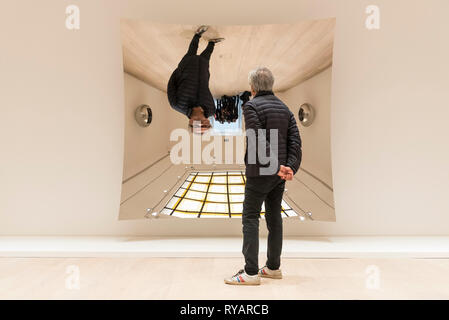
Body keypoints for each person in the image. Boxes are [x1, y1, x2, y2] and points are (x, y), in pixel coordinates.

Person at [224, 67, 302, 285]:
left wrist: (276, 166)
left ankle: (250, 273)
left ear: (252, 87)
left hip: (261, 173)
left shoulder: (251, 106)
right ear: (271, 84)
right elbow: (295, 141)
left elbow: (257, 139)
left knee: (250, 217)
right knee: (274, 218)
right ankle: (273, 268)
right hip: (278, 175)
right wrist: (290, 168)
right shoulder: (285, 108)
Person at [167, 26, 224, 134]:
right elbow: (208, 92)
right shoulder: (211, 110)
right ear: (208, 122)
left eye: (199, 125)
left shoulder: (176, 104)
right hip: (203, 75)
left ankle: (197, 35)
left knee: (191, 52)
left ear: (191, 122)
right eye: (206, 125)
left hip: (187, 69)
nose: (202, 122)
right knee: (206, 57)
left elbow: (171, 84)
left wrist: (180, 70)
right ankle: (211, 43)